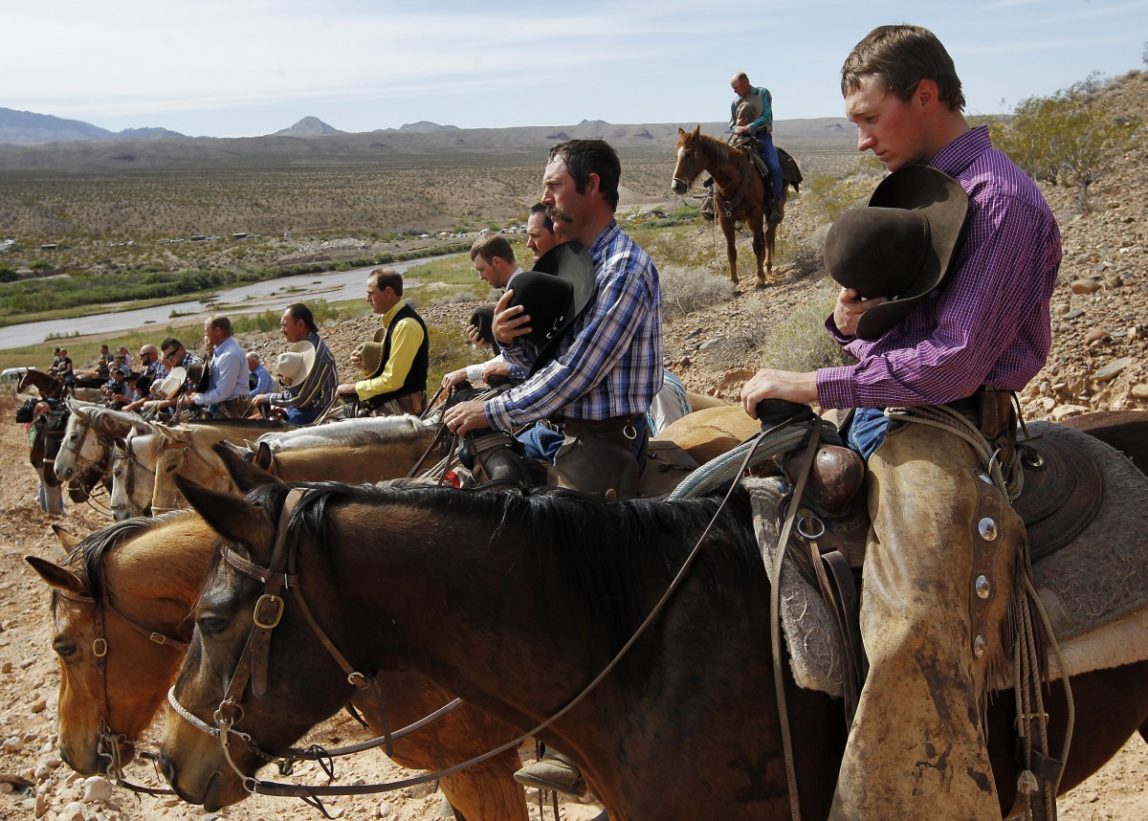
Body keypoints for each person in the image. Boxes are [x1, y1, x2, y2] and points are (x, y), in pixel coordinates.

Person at [739, 24, 1061, 818]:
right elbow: (910, 318)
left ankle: (922, 797)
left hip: (946, 424)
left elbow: (953, 361)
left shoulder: (1001, 199)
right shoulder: (919, 186)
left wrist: (818, 378)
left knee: (915, 618)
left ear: (925, 97)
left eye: (869, 118)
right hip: (881, 404)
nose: (859, 142)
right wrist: (852, 325)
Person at [445, 139, 662, 499]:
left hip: (604, 438)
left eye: (554, 186)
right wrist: (511, 343)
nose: (545, 198)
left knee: (556, 539)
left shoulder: (624, 268)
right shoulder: (572, 265)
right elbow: (542, 365)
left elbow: (578, 370)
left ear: (591, 185)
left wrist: (493, 410)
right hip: (557, 428)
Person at [336, 269, 429, 415]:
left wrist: (355, 387)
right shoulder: (396, 321)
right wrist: (366, 364)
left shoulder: (405, 325)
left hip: (403, 407)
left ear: (388, 292)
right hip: (394, 401)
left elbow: (393, 380)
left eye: (371, 293)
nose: (367, 299)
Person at [251, 303, 339, 425]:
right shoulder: (303, 346)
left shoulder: (318, 356)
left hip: (314, 413)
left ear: (301, 325)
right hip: (300, 408)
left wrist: (267, 398)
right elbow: (295, 389)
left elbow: (301, 400)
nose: (282, 330)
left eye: (285, 326)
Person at [729, 71, 785, 223]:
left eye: (736, 87)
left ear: (746, 82)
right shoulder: (735, 102)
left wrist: (748, 126)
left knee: (774, 166)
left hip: (762, 136)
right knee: (722, 161)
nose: (734, 91)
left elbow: (766, 115)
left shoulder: (762, 93)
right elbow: (732, 123)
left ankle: (777, 203)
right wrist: (737, 129)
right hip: (741, 138)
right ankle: (714, 202)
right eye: (733, 88)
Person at [179, 315, 250, 418]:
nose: (205, 335)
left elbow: (223, 393)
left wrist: (196, 398)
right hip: (222, 406)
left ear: (217, 331)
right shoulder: (220, 352)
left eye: (206, 331)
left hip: (232, 410)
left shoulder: (230, 355)